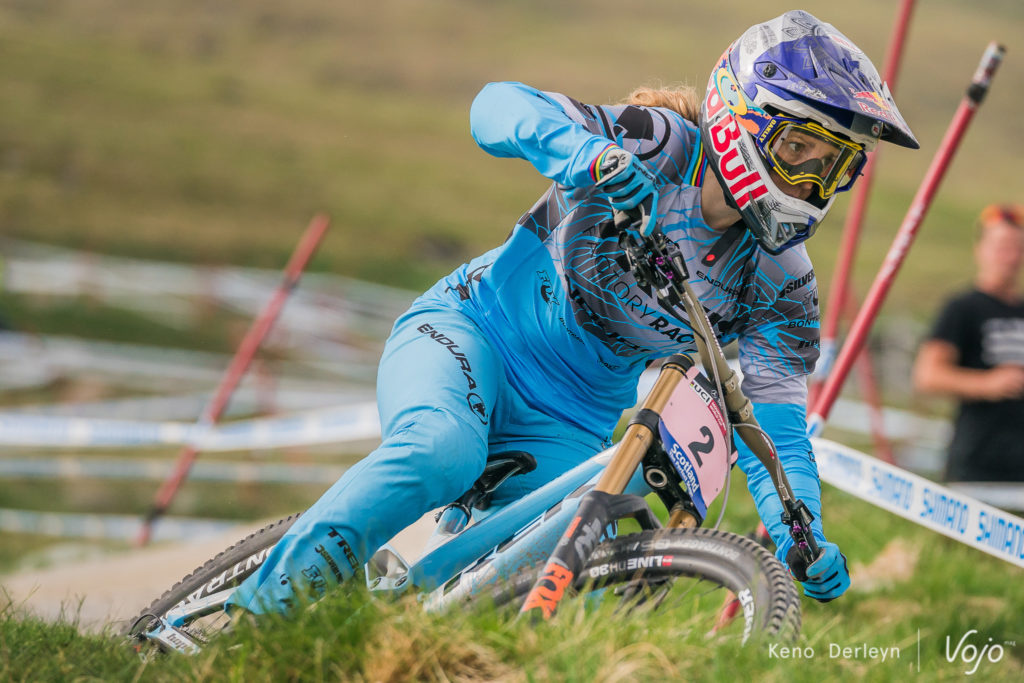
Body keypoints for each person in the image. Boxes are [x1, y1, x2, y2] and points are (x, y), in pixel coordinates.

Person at [227, 9, 918, 613]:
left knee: (573, 582)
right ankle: (255, 621)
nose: (810, 181)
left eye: (833, 165)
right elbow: (494, 105)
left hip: (571, 421)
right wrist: (585, 154)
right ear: (741, 117)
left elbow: (776, 434)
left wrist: (806, 535)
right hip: (474, 333)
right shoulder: (657, 142)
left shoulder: (781, 282)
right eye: (797, 148)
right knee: (442, 451)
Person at [912, 205, 1024, 482]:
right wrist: (988, 383)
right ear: (981, 249)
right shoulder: (963, 308)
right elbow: (928, 376)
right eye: (1002, 247)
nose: (1010, 256)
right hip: (978, 466)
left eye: (1017, 247)